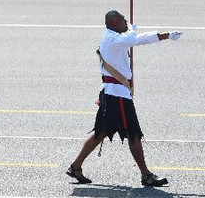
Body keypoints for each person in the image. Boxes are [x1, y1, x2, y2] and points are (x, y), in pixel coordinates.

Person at [66, 10, 182, 187]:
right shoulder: (112, 39)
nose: (126, 21)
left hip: (115, 93)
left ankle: (75, 166)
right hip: (116, 95)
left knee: (101, 131)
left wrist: (164, 36)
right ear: (113, 23)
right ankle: (146, 175)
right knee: (133, 132)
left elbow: (139, 39)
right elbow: (133, 38)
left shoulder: (117, 37)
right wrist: (131, 30)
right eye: (122, 19)